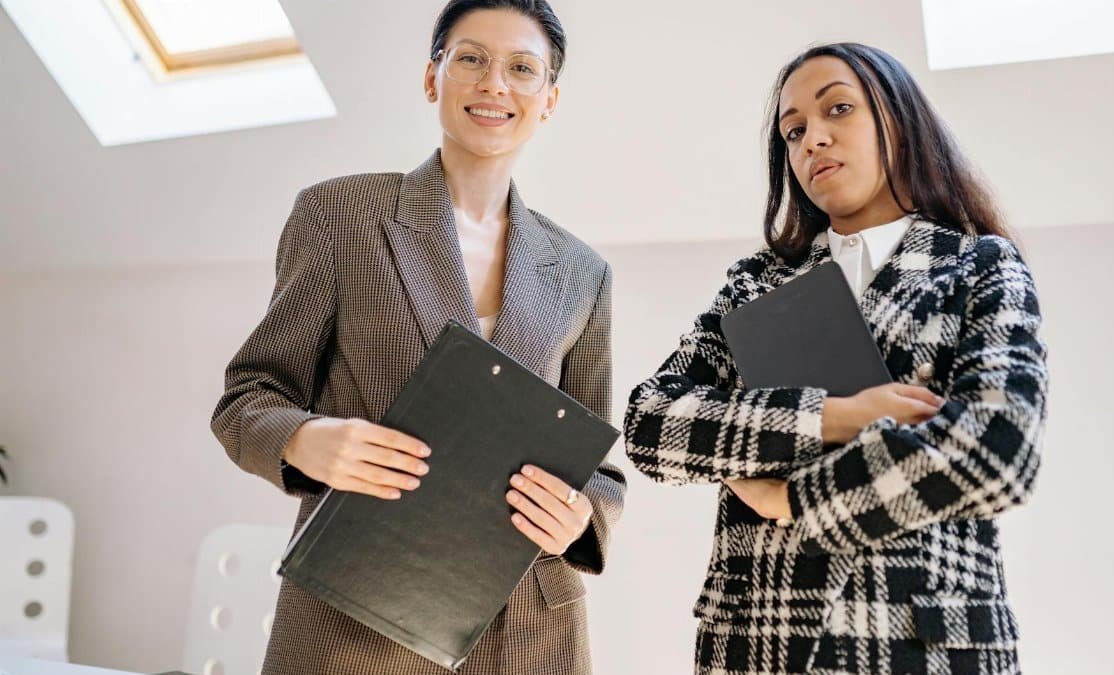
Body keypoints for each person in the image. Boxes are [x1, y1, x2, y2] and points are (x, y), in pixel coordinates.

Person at [211, 2, 625, 673]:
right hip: (361, 616)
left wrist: (581, 517)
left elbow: (598, 466)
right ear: (433, 77)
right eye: (471, 58)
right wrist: (307, 440)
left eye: (522, 68)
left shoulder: (583, 272)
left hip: (531, 628)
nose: (495, 83)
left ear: (548, 100)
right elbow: (248, 398)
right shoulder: (339, 216)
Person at [624, 42, 1047, 675]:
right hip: (758, 645)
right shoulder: (756, 283)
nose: (811, 141)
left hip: (924, 644)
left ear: (898, 122)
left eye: (837, 110)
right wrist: (832, 417)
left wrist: (790, 500)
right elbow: (652, 424)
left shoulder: (978, 265)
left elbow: (997, 450)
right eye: (793, 132)